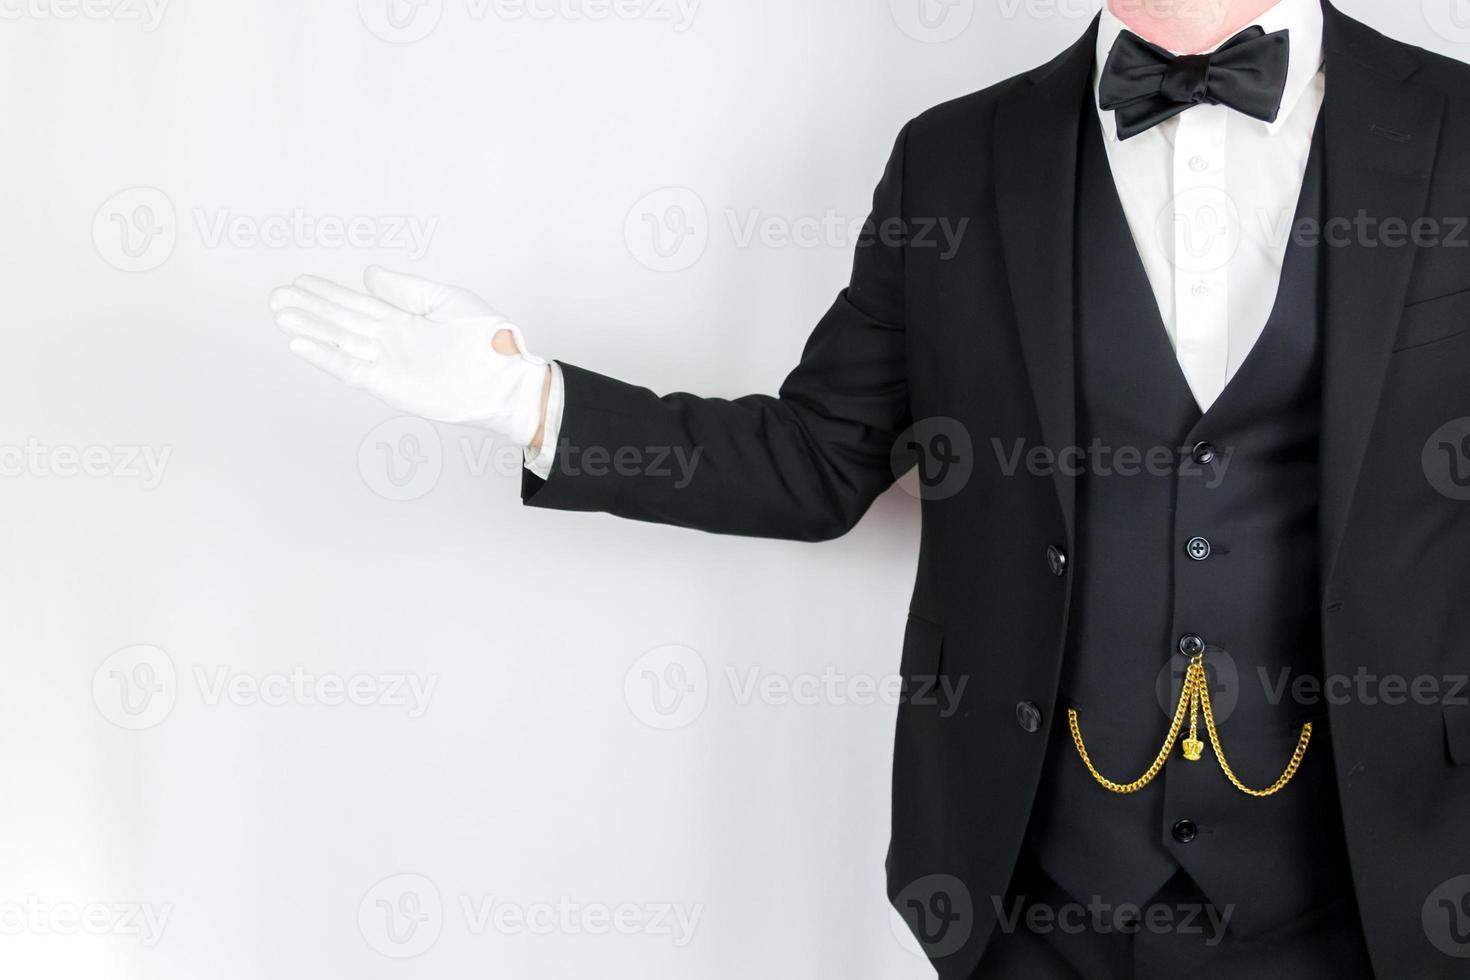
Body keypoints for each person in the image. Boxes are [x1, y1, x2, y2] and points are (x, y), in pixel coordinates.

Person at [269, 0, 1470, 975]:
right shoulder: (955, 159)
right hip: (1037, 894)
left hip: (1383, 883)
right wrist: (527, 400)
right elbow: (819, 457)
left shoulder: (1456, 129)